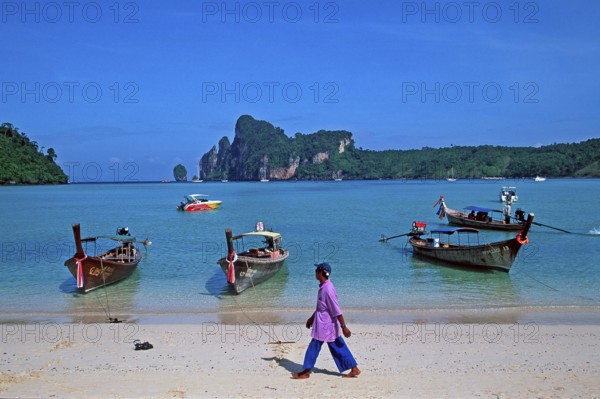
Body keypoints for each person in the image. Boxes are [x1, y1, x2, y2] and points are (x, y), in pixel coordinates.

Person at [291, 263, 361, 379]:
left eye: (316, 270)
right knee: (338, 347)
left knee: (314, 347)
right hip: (325, 325)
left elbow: (336, 310)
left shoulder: (327, 290)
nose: (315, 272)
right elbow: (321, 307)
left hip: (326, 326)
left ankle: (306, 371)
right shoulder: (324, 287)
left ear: (321, 272)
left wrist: (344, 327)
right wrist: (312, 318)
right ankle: (354, 368)